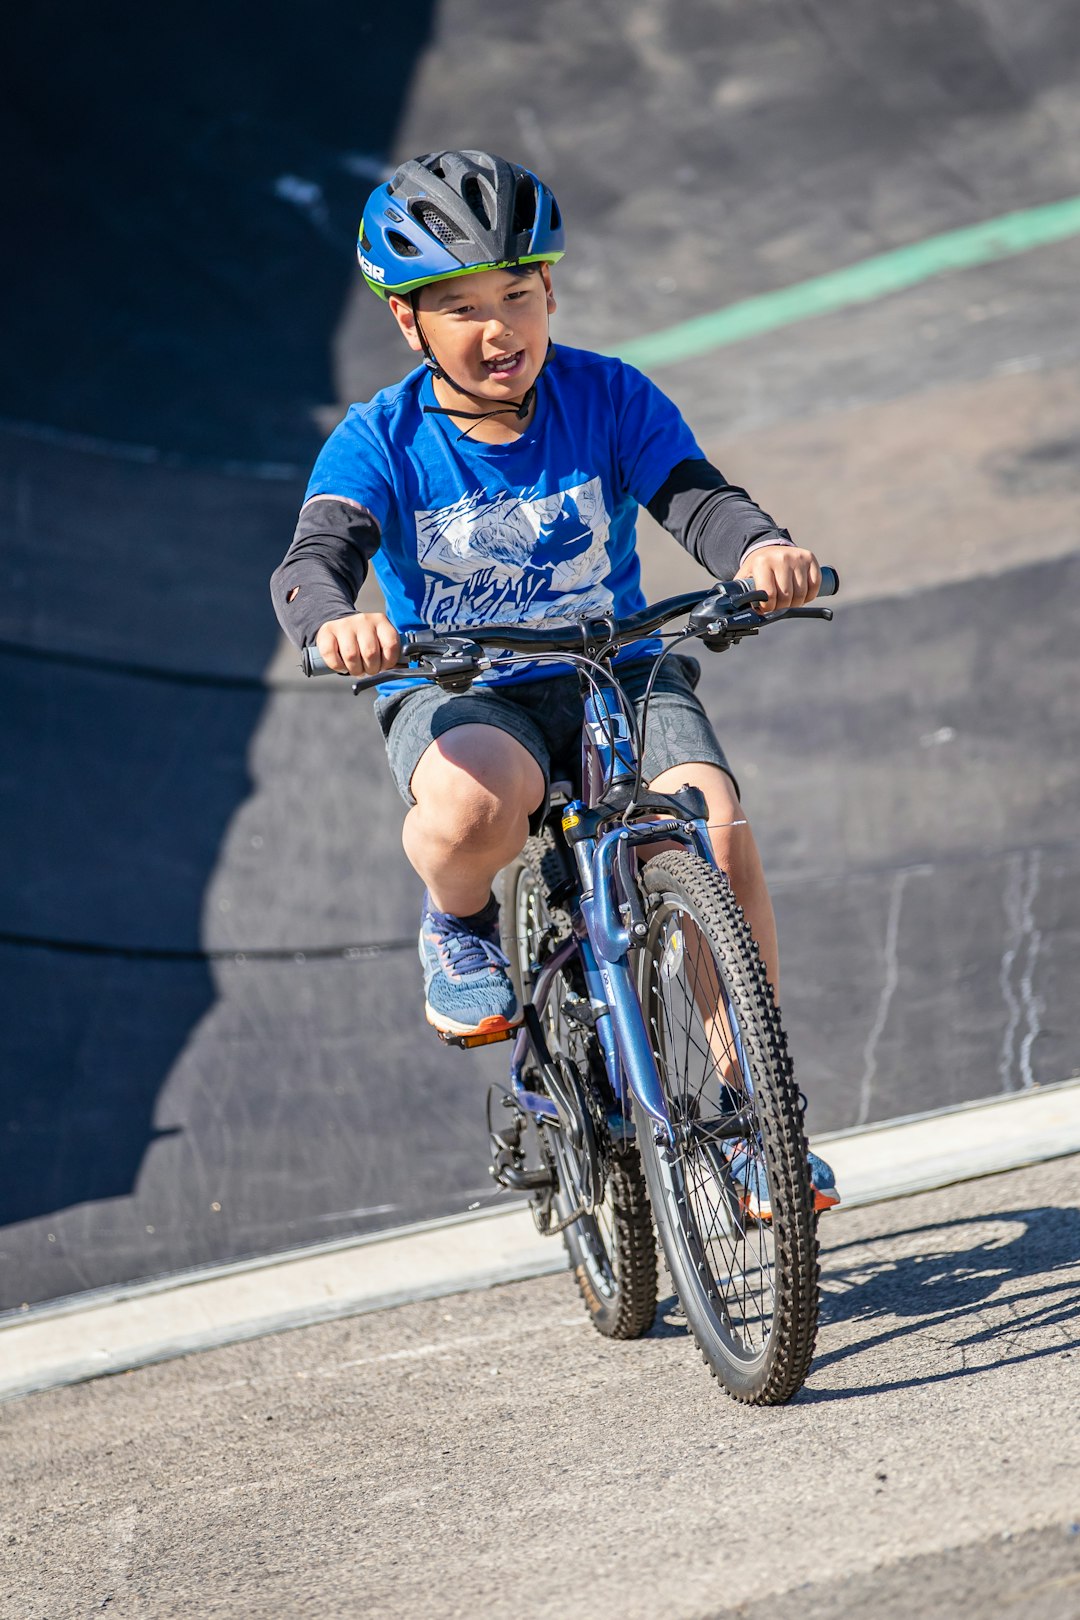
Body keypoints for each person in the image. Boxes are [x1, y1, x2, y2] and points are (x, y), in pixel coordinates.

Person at [271, 149, 838, 1214]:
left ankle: (753, 1110)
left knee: (711, 819)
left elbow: (698, 499)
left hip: (611, 667)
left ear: (552, 292)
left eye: (519, 297)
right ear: (409, 323)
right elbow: (313, 562)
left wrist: (759, 552)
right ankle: (461, 921)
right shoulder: (381, 440)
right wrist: (338, 623)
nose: (501, 332)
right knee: (478, 799)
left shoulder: (607, 395)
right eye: (462, 309)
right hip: (464, 685)